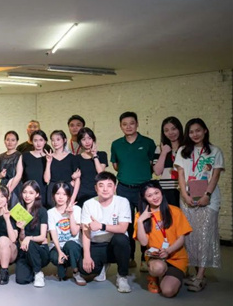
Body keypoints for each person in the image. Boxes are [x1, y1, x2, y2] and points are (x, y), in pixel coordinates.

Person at [174, 118, 224, 292]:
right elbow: (181, 174)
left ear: (205, 131)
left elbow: (215, 175)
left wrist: (207, 195)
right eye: (191, 131)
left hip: (208, 199)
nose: (195, 134)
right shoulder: (183, 151)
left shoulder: (215, 151)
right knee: (191, 236)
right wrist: (184, 194)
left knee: (205, 235)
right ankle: (197, 274)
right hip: (187, 198)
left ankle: (201, 276)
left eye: (198, 130)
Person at [110, 111, 156, 268]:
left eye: (131, 123)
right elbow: (115, 165)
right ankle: (129, 257)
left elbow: (152, 163)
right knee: (127, 224)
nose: (128, 126)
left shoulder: (148, 143)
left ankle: (145, 257)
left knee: (146, 222)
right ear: (120, 126)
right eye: (124, 124)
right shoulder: (116, 144)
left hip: (144, 189)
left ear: (137, 124)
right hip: (124, 189)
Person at [134, 181, 192, 297]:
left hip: (175, 257)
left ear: (161, 192)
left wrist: (168, 251)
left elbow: (181, 239)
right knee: (158, 268)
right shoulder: (140, 216)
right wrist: (140, 221)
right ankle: (154, 276)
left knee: (168, 291)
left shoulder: (175, 211)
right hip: (156, 257)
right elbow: (144, 242)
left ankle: (172, 275)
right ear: (144, 198)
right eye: (149, 195)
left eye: (156, 193)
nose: (155, 197)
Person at [80, 172, 132, 293]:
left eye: (109, 185)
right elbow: (86, 233)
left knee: (121, 239)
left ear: (115, 187)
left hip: (115, 244)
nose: (105, 189)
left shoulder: (122, 202)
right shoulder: (88, 204)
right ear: (95, 188)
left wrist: (101, 226)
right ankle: (103, 265)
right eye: (101, 185)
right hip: (97, 243)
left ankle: (122, 276)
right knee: (84, 270)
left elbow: (123, 228)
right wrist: (86, 256)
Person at [47, 182, 85, 286]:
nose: (60, 197)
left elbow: (74, 232)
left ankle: (76, 272)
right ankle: (63, 266)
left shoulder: (76, 209)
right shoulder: (50, 212)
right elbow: (53, 234)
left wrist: (70, 214)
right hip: (58, 246)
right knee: (56, 260)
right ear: (53, 195)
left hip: (73, 245)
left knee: (70, 245)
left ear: (68, 196)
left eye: (64, 194)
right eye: (58, 194)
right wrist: (59, 251)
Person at [15, 181, 49, 287]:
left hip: (40, 250)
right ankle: (33, 269)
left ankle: (38, 273)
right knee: (21, 279)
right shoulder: (20, 211)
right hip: (25, 251)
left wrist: (28, 238)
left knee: (30, 244)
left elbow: (42, 237)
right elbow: (21, 238)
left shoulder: (42, 211)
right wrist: (22, 229)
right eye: (25, 192)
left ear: (37, 194)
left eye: (31, 193)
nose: (27, 195)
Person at [44, 130, 80, 207]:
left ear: (64, 140)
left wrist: (73, 199)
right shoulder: (48, 157)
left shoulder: (72, 158)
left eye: (58, 139)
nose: (55, 142)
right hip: (53, 190)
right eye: (52, 140)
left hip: (67, 190)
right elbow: (46, 179)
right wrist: (48, 162)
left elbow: (77, 180)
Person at [153, 117, 184, 207]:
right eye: (166, 130)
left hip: (184, 188)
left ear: (179, 129)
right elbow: (157, 172)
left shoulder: (186, 148)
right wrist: (164, 152)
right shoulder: (160, 148)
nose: (170, 133)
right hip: (166, 189)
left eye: (173, 129)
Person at [76, 127, 108, 206]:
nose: (87, 142)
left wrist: (95, 155)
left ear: (93, 139)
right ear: (80, 142)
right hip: (82, 194)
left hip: (98, 193)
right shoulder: (77, 158)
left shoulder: (102, 154)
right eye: (83, 139)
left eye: (89, 138)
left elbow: (101, 173)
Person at [21, 130, 48, 204]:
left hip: (42, 193)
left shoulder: (48, 157)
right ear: (31, 142)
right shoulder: (25, 156)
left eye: (41, 140)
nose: (38, 143)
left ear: (45, 141)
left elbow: (47, 179)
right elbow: (19, 175)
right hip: (27, 194)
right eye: (35, 140)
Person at [0, 130, 23, 206]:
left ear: (17, 142)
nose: (10, 142)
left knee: (14, 208)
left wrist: (9, 191)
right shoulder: (0, 156)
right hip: (3, 185)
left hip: (15, 186)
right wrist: (0, 175)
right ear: (4, 141)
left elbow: (19, 175)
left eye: (13, 140)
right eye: (7, 140)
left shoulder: (19, 155)